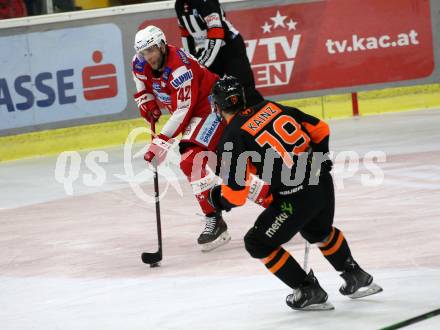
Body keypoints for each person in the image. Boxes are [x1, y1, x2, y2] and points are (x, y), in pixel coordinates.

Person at [208, 76, 383, 310]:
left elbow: (236, 195)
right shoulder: (270, 107)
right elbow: (320, 129)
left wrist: (217, 199)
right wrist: (322, 157)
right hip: (322, 183)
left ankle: (307, 289)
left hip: (295, 198)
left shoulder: (231, 136)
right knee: (318, 231)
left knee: (257, 243)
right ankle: (356, 276)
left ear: (217, 107)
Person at [131, 26, 270, 252]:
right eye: (144, 53)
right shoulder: (139, 62)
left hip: (209, 107)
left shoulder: (179, 69)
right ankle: (274, 201)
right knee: (223, 167)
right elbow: (140, 81)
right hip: (192, 111)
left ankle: (214, 219)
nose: (148, 57)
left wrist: (161, 141)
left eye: (152, 50)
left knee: (191, 161)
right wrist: (145, 100)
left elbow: (183, 111)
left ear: (162, 45)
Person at [174, 0, 263, 107]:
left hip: (230, 47)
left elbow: (216, 33)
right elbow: (185, 34)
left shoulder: (206, 2)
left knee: (244, 90)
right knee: (207, 93)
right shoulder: (179, 4)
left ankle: (266, 118)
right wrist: (189, 62)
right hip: (207, 50)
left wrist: (201, 64)